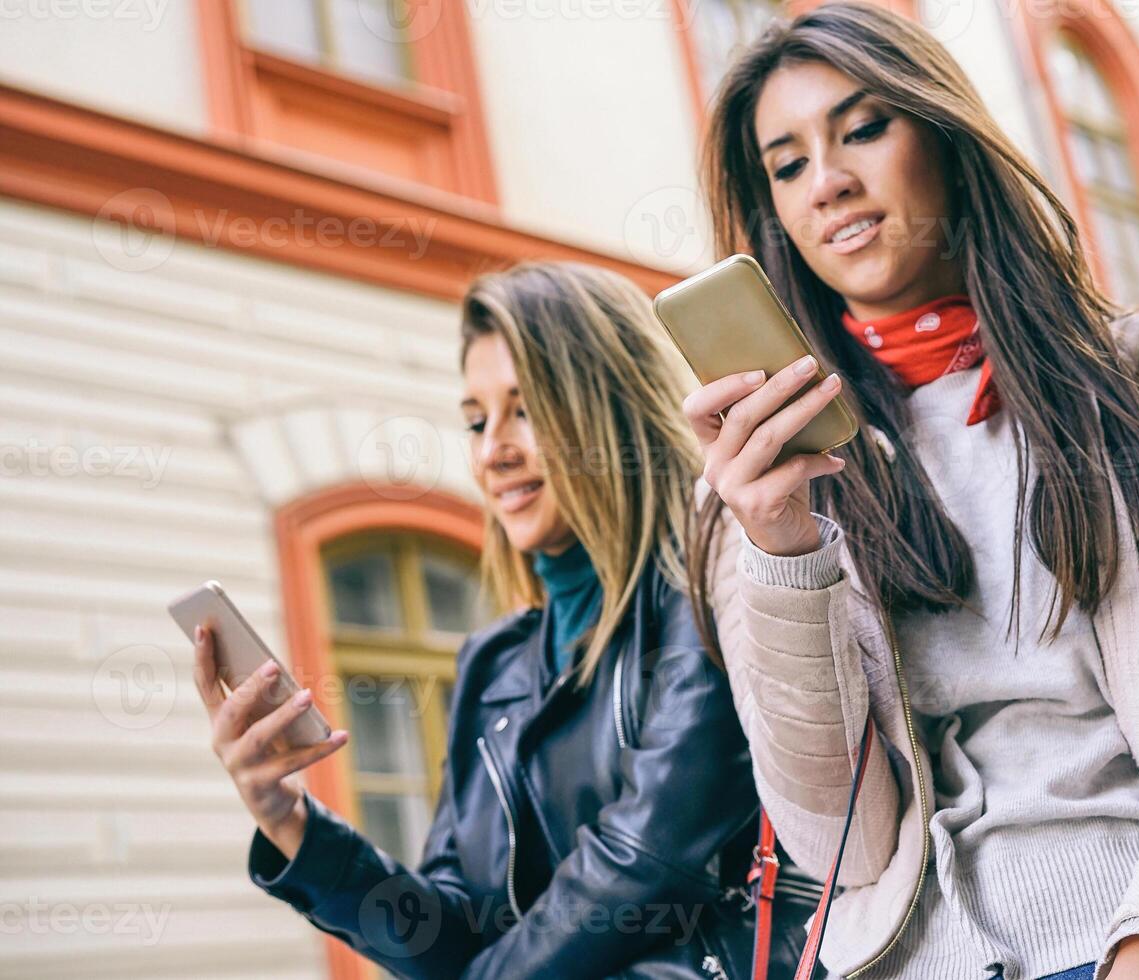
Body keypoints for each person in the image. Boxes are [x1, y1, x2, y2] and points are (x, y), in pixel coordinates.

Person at [680, 5, 1139, 979]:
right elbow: (843, 836)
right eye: (786, 165)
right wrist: (781, 548)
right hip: (928, 953)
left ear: (946, 139)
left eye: (864, 128)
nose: (827, 181)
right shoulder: (765, 479)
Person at [192, 261, 817, 979]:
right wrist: (289, 821)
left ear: (612, 410)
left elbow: (649, 859)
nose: (494, 452)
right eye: (476, 421)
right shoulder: (492, 663)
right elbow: (450, 930)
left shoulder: (707, 591)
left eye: (526, 410)